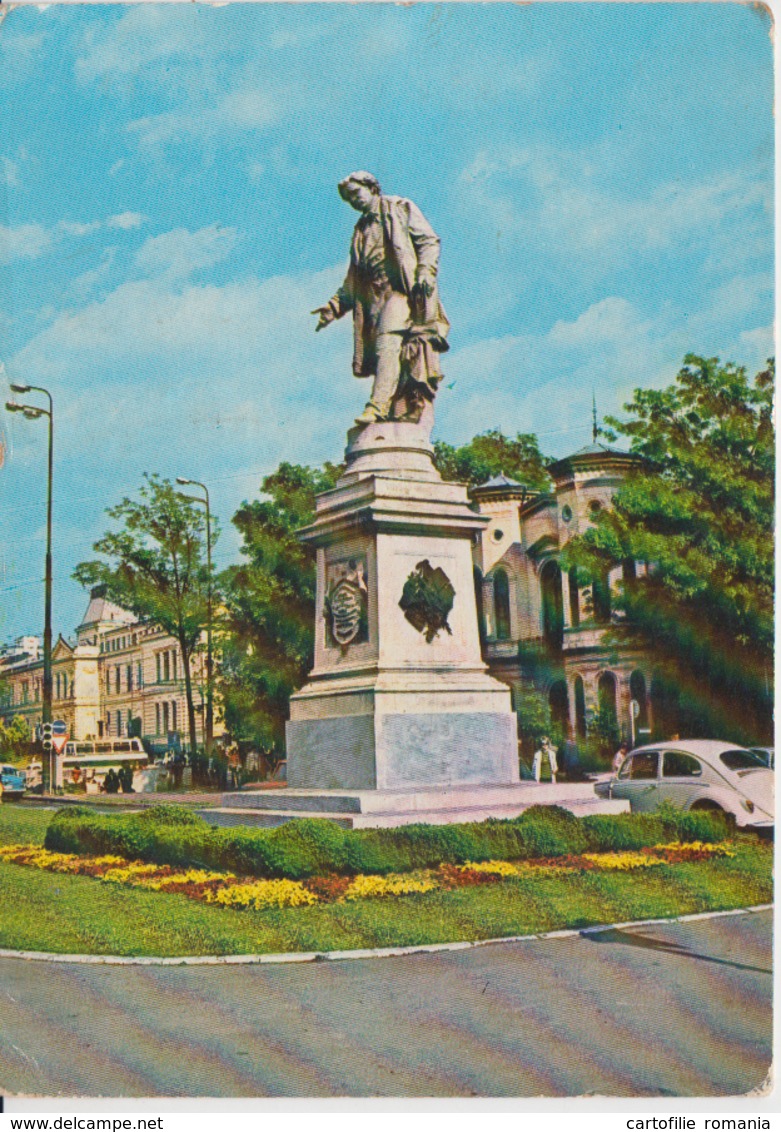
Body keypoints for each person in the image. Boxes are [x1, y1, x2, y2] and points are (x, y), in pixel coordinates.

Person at [312, 171, 449, 425]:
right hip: (375, 299)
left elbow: (429, 241)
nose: (353, 201)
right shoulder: (360, 231)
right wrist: (332, 307)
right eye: (348, 199)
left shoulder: (399, 207)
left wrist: (425, 272)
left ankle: (376, 406)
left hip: (403, 292)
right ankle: (391, 411)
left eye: (356, 193)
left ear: (371, 187)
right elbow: (353, 281)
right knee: (386, 356)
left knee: (388, 344)